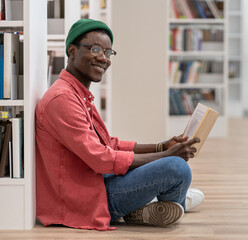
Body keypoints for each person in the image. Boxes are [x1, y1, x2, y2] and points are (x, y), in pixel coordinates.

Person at [35, 19, 205, 231]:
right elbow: (100, 158)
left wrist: (161, 147)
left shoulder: (77, 94)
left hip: (100, 182)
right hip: (90, 199)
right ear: (72, 51)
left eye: (108, 52)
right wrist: (168, 156)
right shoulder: (62, 99)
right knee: (177, 168)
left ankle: (154, 203)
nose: (103, 58)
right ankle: (157, 203)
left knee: (175, 168)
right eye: (95, 49)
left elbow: (109, 143)